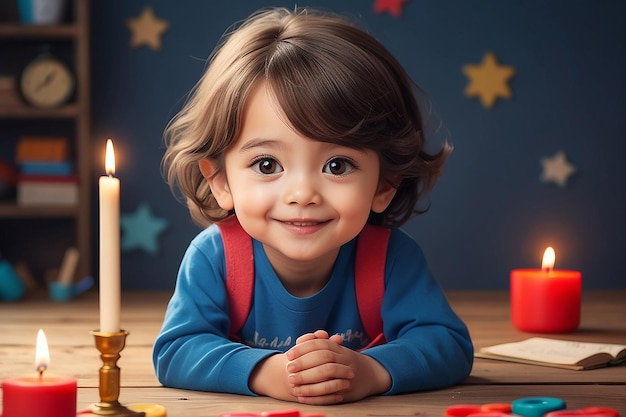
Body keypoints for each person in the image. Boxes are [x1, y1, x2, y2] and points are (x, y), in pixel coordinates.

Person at [153, 6, 473, 405]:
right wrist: (269, 373)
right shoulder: (216, 258)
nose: (302, 193)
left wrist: (371, 371)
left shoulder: (390, 258)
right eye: (267, 165)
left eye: (337, 165)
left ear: (386, 182)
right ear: (220, 180)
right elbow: (177, 349)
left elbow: (447, 344)